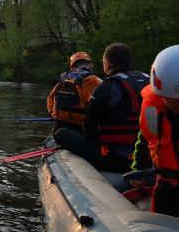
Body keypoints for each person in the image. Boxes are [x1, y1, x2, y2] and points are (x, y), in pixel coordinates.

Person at [54, 43, 149, 172]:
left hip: (114, 159)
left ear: (108, 64)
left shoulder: (106, 86)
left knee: (61, 134)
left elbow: (89, 128)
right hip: (148, 157)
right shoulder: (148, 80)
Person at [130, 45, 179, 217]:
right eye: (172, 102)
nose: (177, 107)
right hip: (165, 184)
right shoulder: (153, 108)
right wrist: (139, 167)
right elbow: (145, 138)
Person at [47, 52, 102, 133]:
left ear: (72, 67)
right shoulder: (94, 81)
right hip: (81, 129)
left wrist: (57, 115)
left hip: (58, 127)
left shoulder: (63, 79)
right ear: (90, 65)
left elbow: (50, 103)